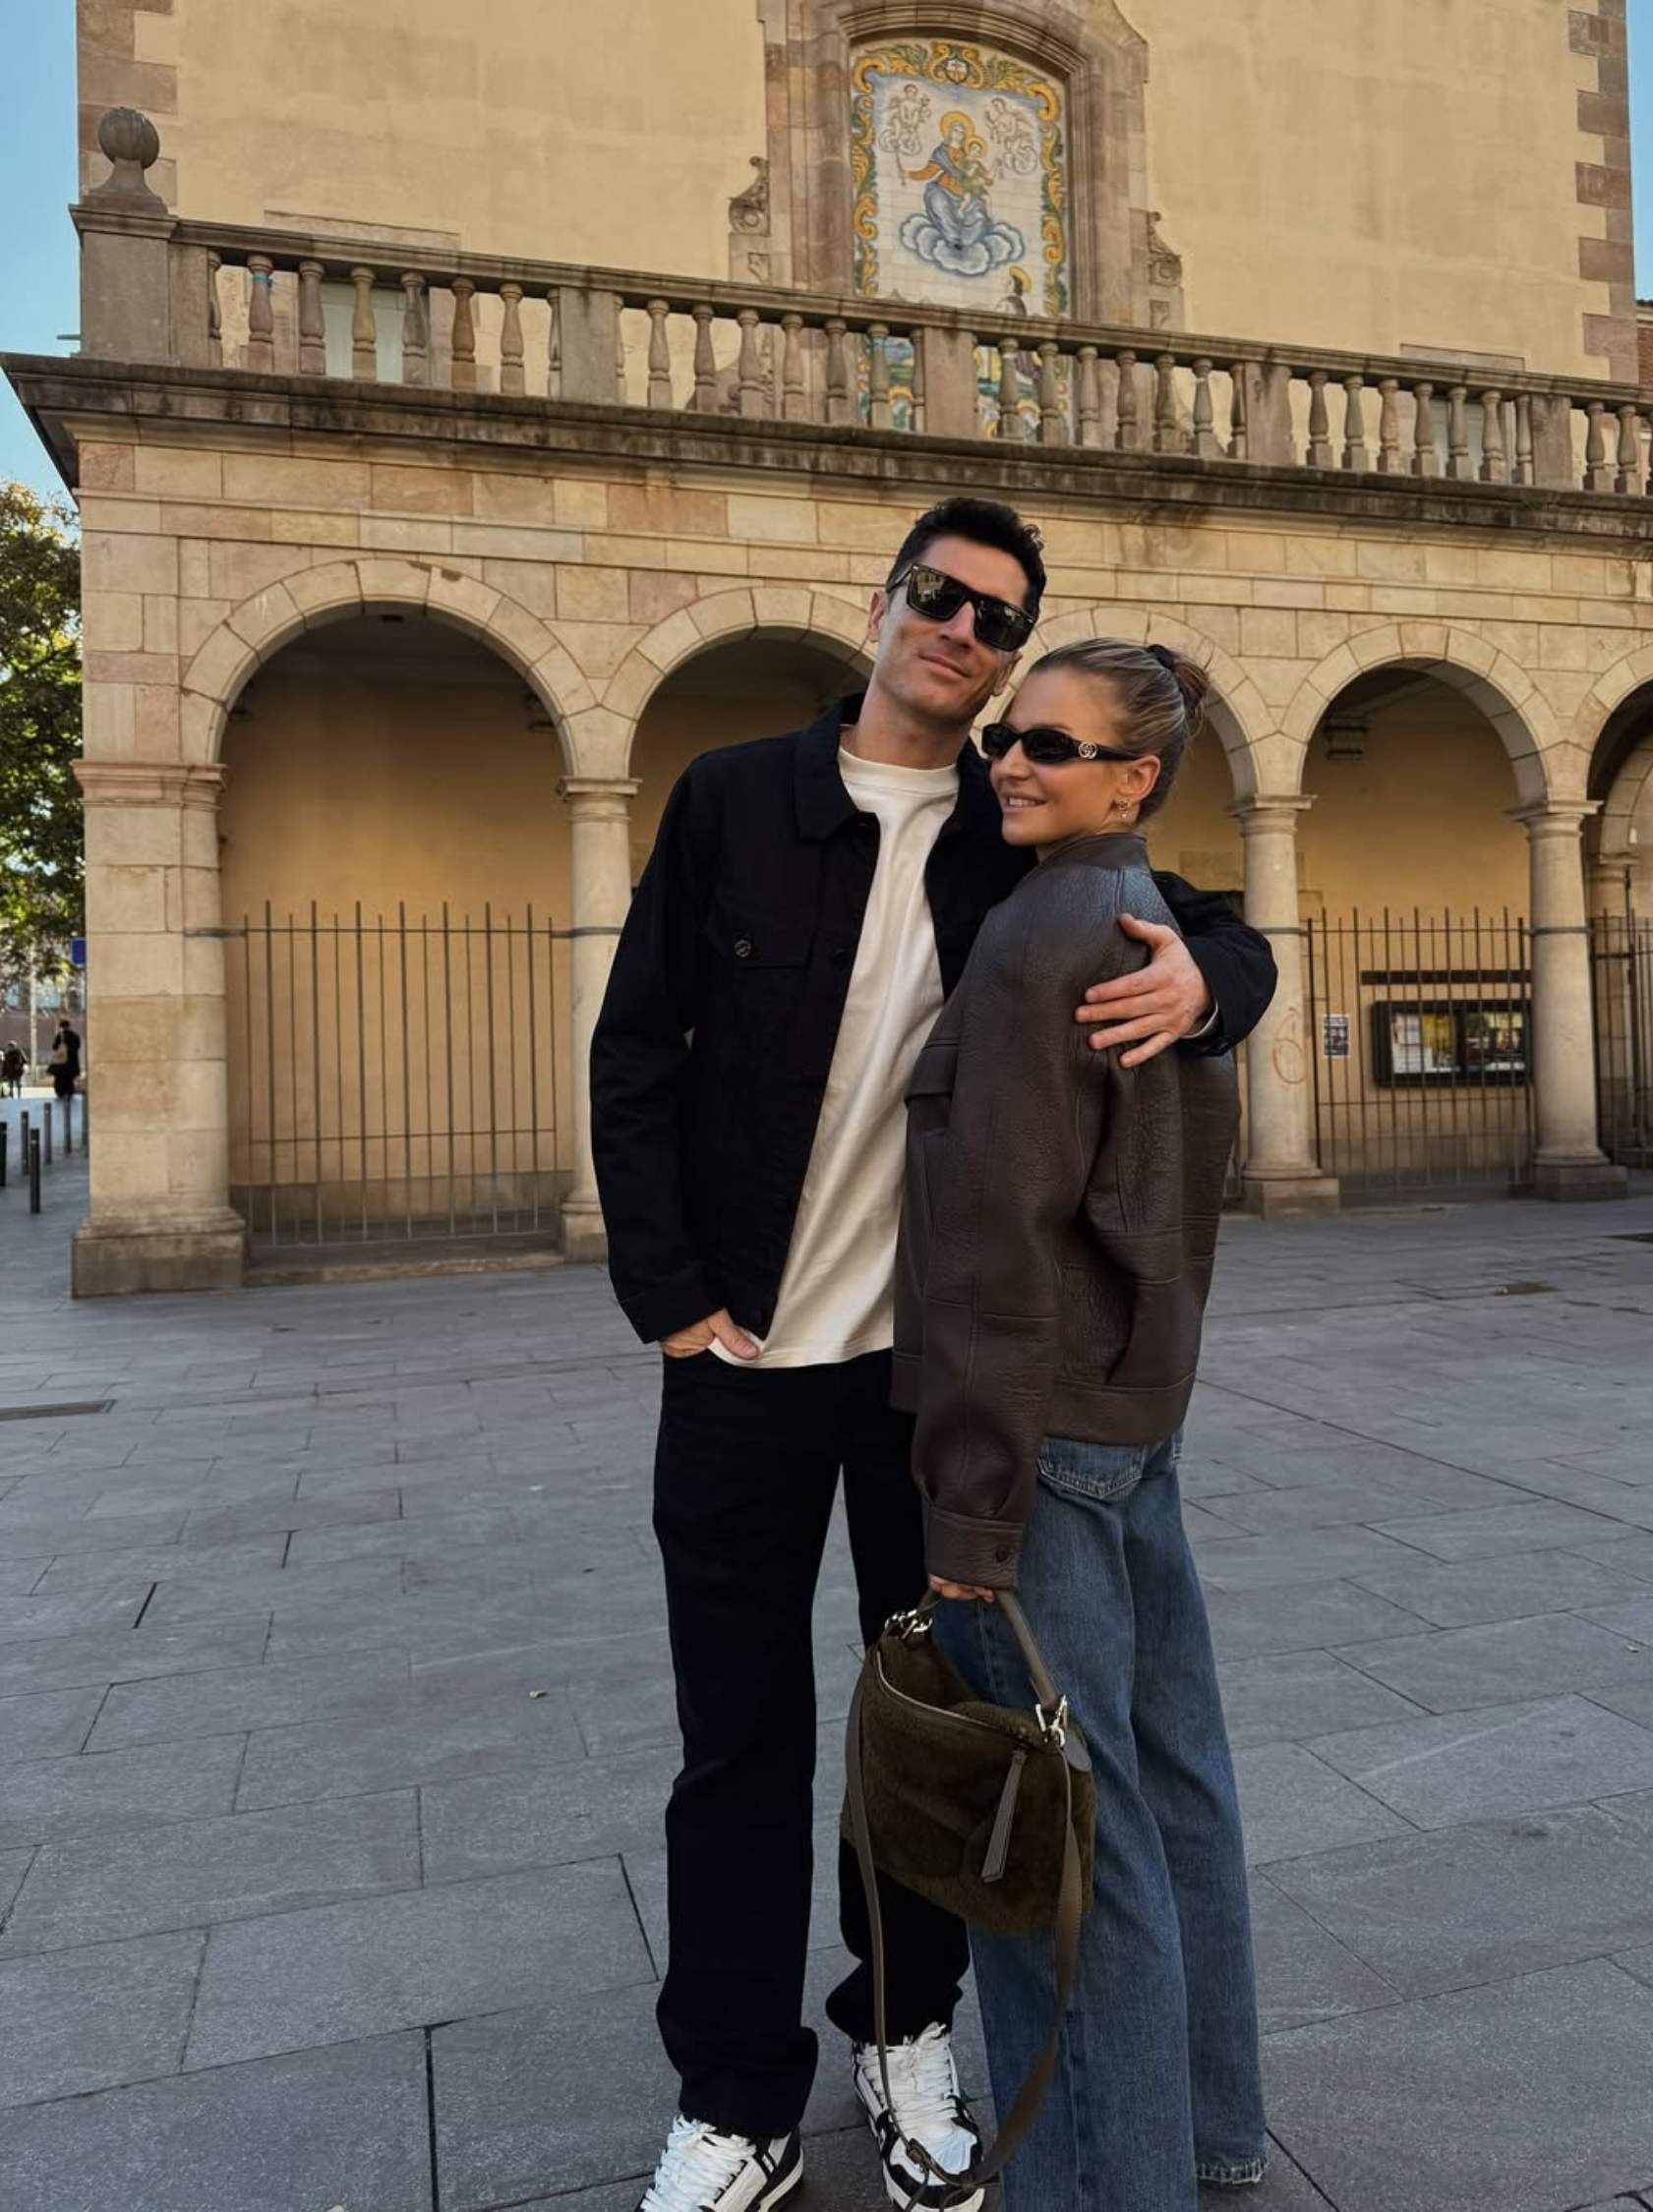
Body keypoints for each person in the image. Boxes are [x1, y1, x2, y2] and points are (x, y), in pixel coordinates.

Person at [591, 496, 1276, 2212]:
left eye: (999, 619)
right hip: (744, 1360)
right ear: (885, 602)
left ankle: (908, 2040)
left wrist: (1219, 977)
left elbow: (1195, 913)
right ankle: (738, 2100)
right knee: (734, 1740)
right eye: (943, 599)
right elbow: (635, 1052)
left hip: (926, 1381)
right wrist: (671, 1292)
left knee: (936, 1747)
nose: (965, 634)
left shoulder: (1009, 823)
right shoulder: (734, 799)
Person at [896, 638, 1266, 2212]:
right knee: (1172, 1777)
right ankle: (1208, 2125)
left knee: (1065, 1830)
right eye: (1004, 737)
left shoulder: (1042, 935)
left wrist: (970, 1513)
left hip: (1042, 1435)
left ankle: (1109, 2183)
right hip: (1133, 1411)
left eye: (1052, 743)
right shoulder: (1142, 926)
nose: (1012, 761)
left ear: (1136, 778)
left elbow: (998, 1244)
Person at [49, 1020, 81, 1102]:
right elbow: (77, 1047)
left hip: (60, 1063)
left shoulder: (59, 1036)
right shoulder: (75, 1036)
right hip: (71, 1063)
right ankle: (69, 1093)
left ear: (61, 1026)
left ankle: (60, 1093)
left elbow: (54, 1047)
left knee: (59, 1080)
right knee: (69, 1080)